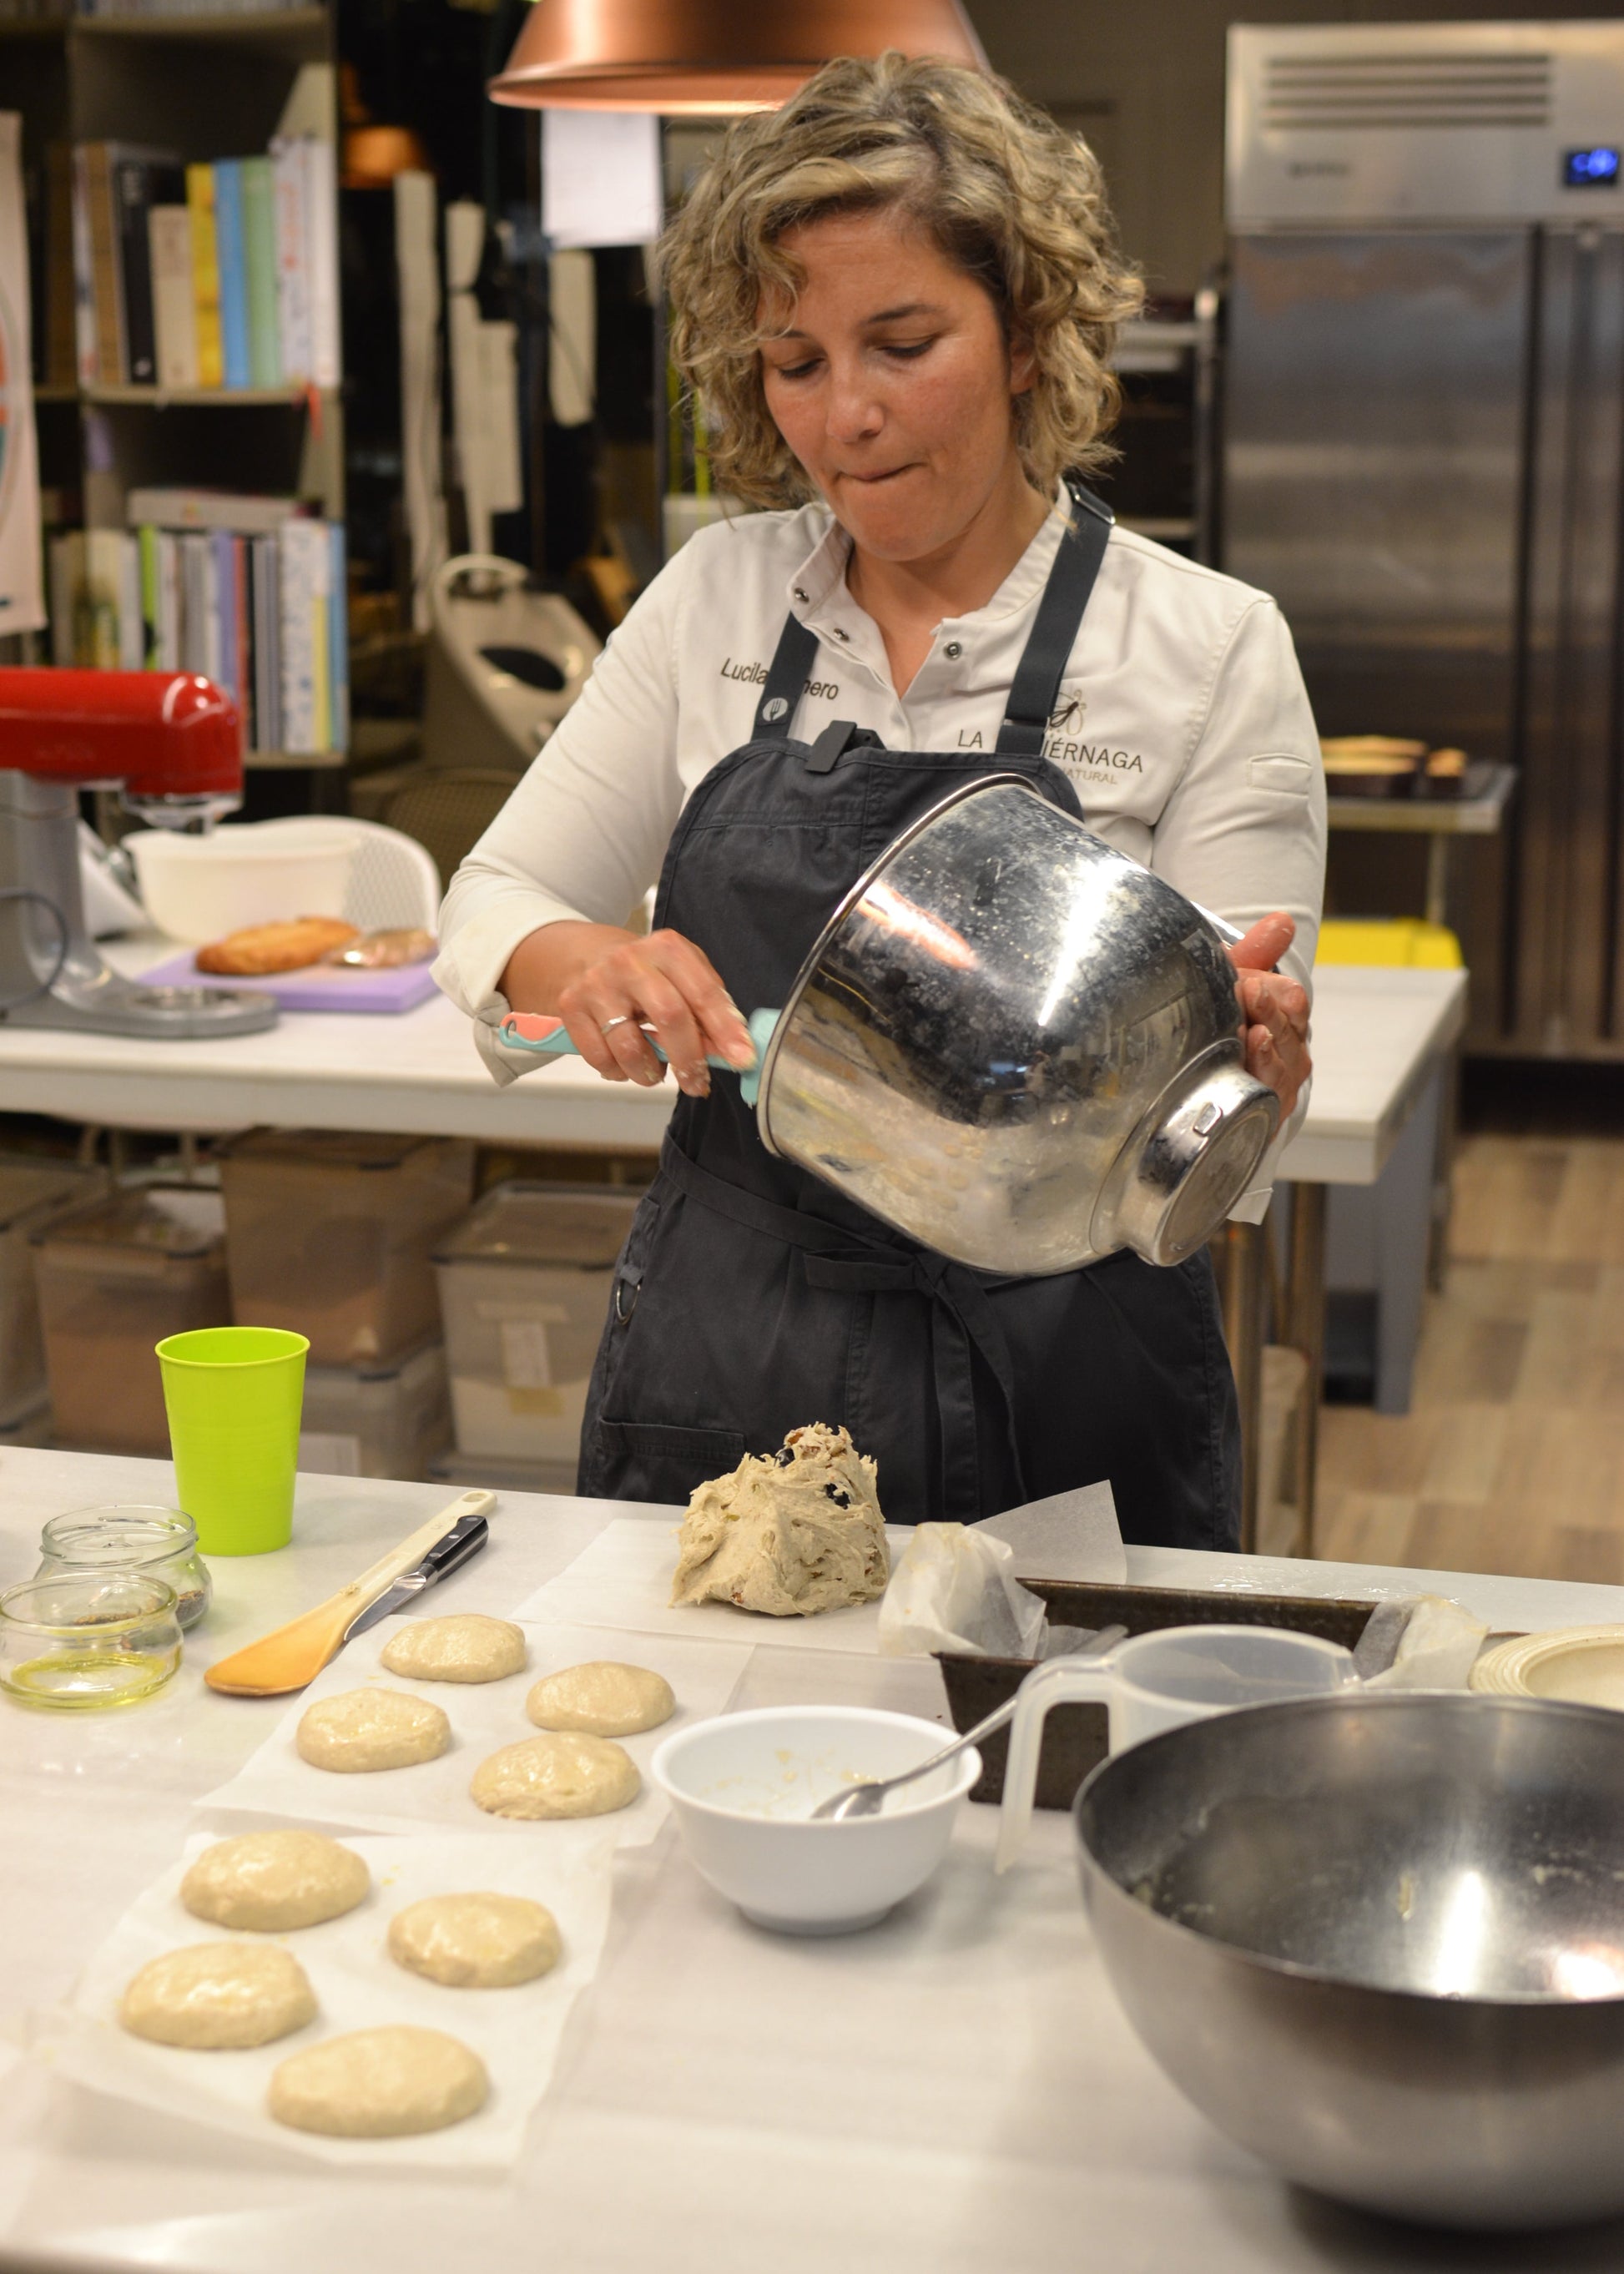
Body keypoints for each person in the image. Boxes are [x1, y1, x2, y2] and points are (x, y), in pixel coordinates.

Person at [435, 53, 1324, 1550]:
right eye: (795, 362)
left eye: (902, 343)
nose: (845, 415)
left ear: (1028, 332)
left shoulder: (1206, 646)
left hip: (1067, 1374)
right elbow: (492, 902)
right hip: (733, 1347)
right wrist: (590, 964)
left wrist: (1252, 1073)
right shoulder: (710, 597)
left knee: (1055, 1776)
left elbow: (1219, 1138)